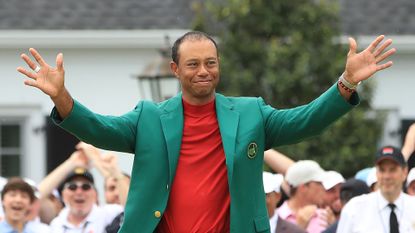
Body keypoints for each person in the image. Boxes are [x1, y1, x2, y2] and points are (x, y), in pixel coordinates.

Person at [17, 31, 395, 232]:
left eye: (211, 63)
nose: (203, 71)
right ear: (174, 69)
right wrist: (62, 96)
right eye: (193, 64)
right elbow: (99, 129)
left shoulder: (251, 114)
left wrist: (345, 82)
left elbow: (306, 120)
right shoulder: (148, 117)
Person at [337, 146, 415, 233]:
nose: (386, 176)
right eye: (382, 170)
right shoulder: (355, 209)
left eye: (392, 170)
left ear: (405, 172)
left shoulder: (413, 206)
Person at [278, 160, 334, 232]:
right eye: (319, 183)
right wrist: (299, 229)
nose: (324, 188)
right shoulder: (276, 217)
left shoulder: (326, 216)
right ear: (303, 187)